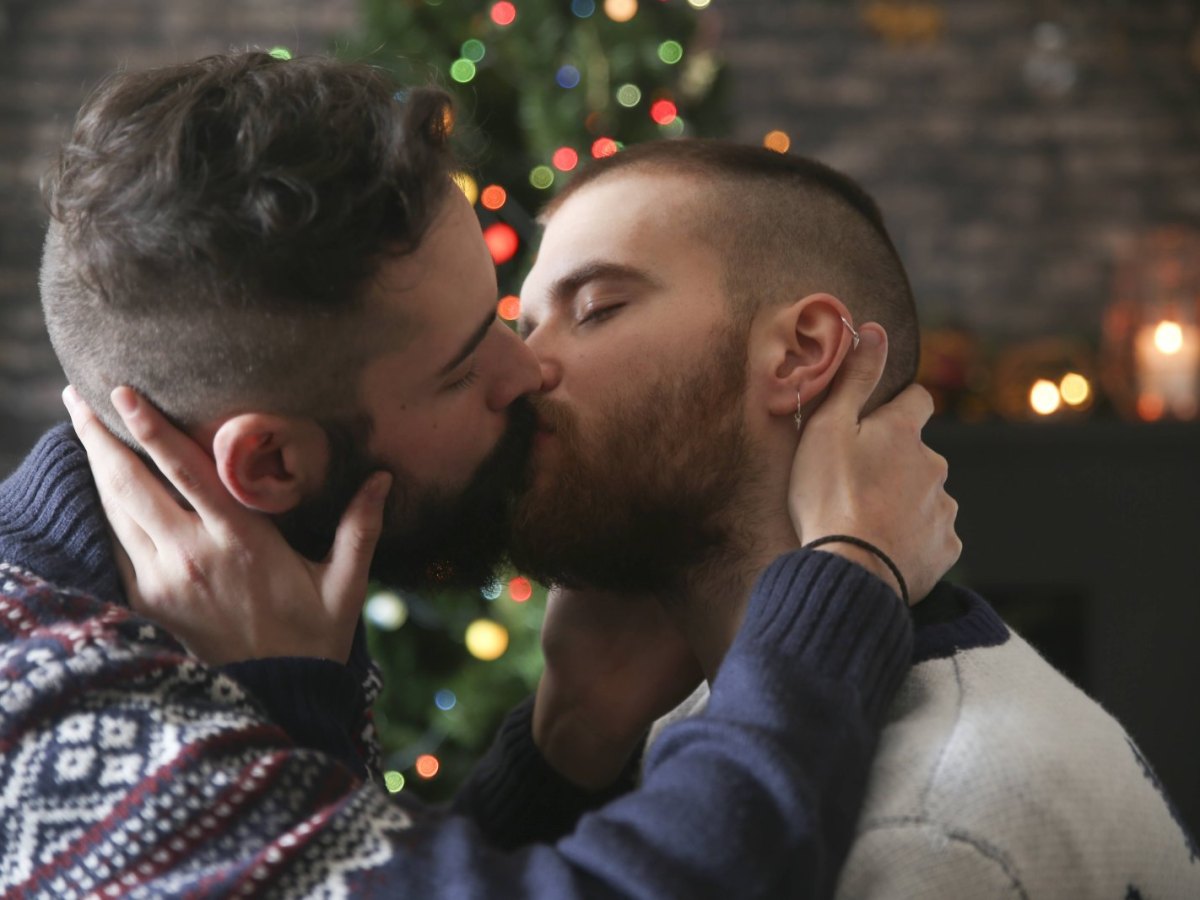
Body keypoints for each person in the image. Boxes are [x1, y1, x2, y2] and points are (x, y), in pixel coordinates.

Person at [0, 51, 959, 897]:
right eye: (463, 367)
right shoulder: (62, 720)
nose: (527, 366)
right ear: (272, 461)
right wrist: (848, 571)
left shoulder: (229, 602)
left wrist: (562, 752)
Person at [508, 139, 1198, 897]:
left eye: (595, 309)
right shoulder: (690, 758)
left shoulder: (933, 834)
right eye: (524, 326)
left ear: (803, 352)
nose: (520, 368)